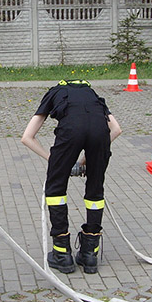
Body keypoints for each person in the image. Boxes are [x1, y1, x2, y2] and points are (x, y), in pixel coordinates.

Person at [21, 79, 121, 275]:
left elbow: (27, 137)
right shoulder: (93, 96)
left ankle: (62, 255)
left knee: (56, 190)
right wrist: (86, 161)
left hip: (70, 131)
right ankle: (89, 254)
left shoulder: (54, 92)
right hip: (100, 133)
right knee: (95, 190)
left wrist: (55, 161)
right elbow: (116, 129)